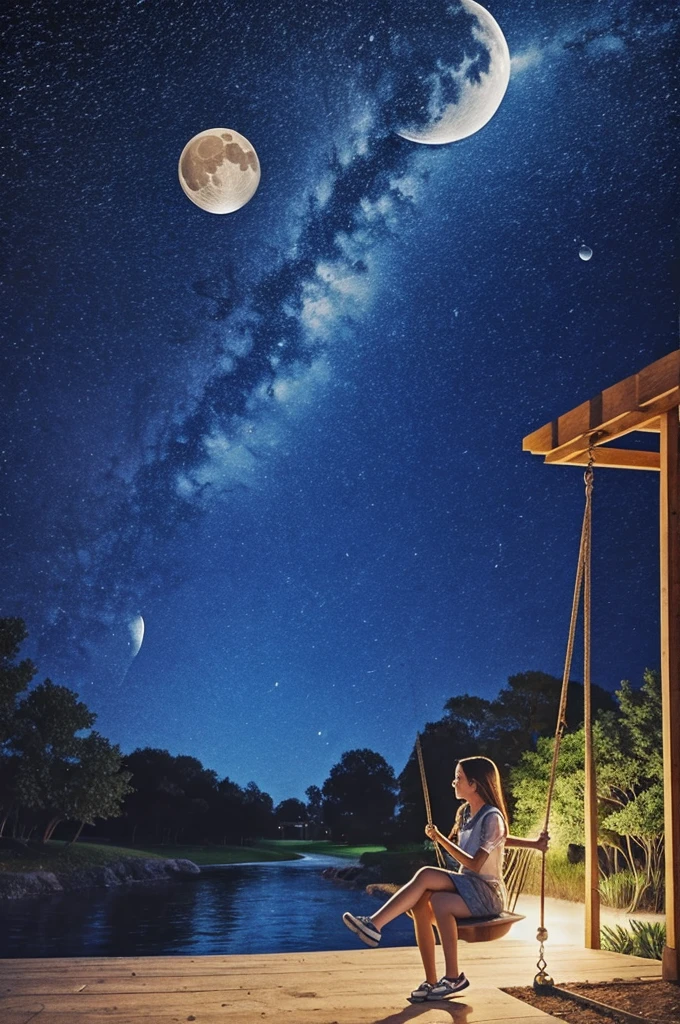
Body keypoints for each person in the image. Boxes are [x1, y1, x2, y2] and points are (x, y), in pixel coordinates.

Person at [342, 755, 549, 1002]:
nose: (454, 783)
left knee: (426, 875)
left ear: (474, 784)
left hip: (486, 893)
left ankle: (375, 925)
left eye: (459, 778)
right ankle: (437, 981)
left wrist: (440, 839)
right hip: (466, 887)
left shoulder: (493, 817)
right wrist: (535, 844)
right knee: (425, 902)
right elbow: (500, 840)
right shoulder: (464, 813)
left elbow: (474, 862)